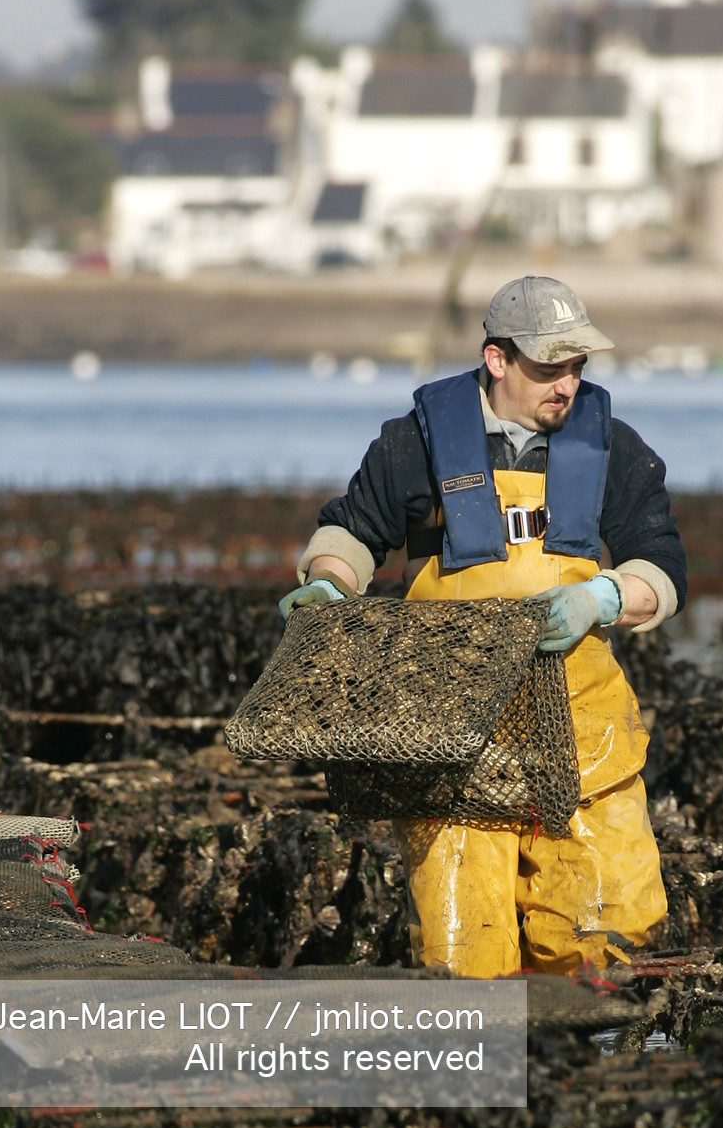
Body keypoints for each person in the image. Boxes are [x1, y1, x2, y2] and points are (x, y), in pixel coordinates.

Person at [281, 275, 687, 977]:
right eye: (548, 368)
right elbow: (351, 532)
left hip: (583, 731)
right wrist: (326, 582)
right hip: (448, 736)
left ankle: (588, 1059)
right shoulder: (415, 443)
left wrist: (607, 597)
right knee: (466, 949)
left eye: (577, 367)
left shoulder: (614, 447)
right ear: (498, 360)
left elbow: (664, 566)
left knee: (608, 933)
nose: (567, 384)